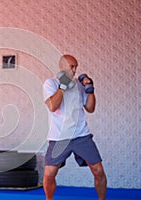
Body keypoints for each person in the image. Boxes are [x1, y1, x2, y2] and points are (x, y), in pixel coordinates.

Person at [42, 54, 107, 200]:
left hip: (81, 135)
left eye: (76, 66)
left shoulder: (79, 85)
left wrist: (90, 90)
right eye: (72, 66)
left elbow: (90, 108)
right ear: (62, 67)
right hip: (59, 137)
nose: (75, 70)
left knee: (98, 171)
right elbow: (52, 106)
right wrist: (63, 86)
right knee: (49, 174)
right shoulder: (50, 83)